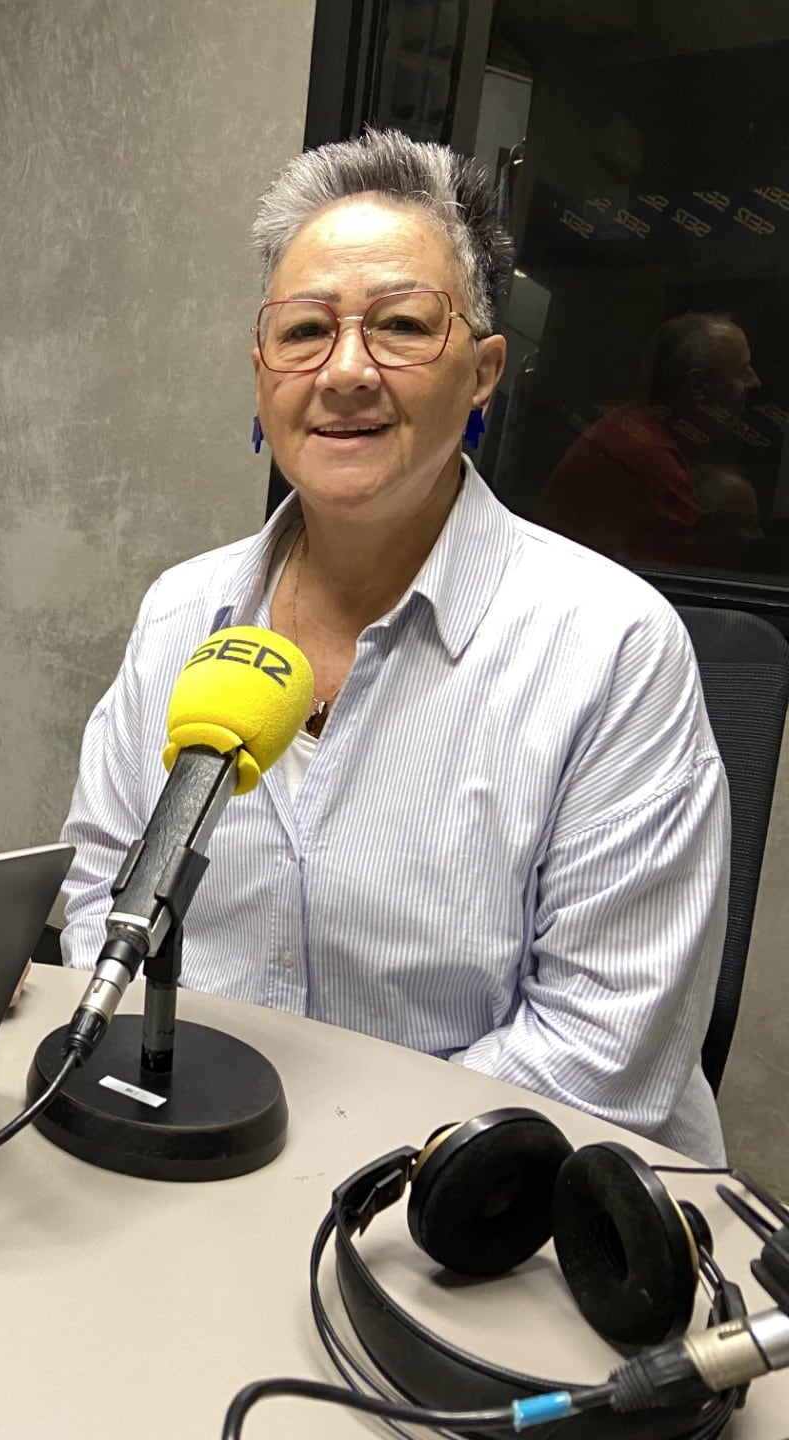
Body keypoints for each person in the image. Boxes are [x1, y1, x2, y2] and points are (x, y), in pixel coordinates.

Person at [57, 130, 729, 1162]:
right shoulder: (184, 613)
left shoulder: (613, 648)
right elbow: (101, 895)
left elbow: (602, 1058)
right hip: (211, 1157)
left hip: (493, 1205)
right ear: (262, 373)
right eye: (305, 333)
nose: (347, 372)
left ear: (483, 374)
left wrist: (324, 1163)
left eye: (404, 326)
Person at [534, 312, 763, 566]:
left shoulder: (636, 431)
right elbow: (690, 574)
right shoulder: (649, 456)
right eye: (742, 371)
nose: (755, 382)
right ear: (698, 388)